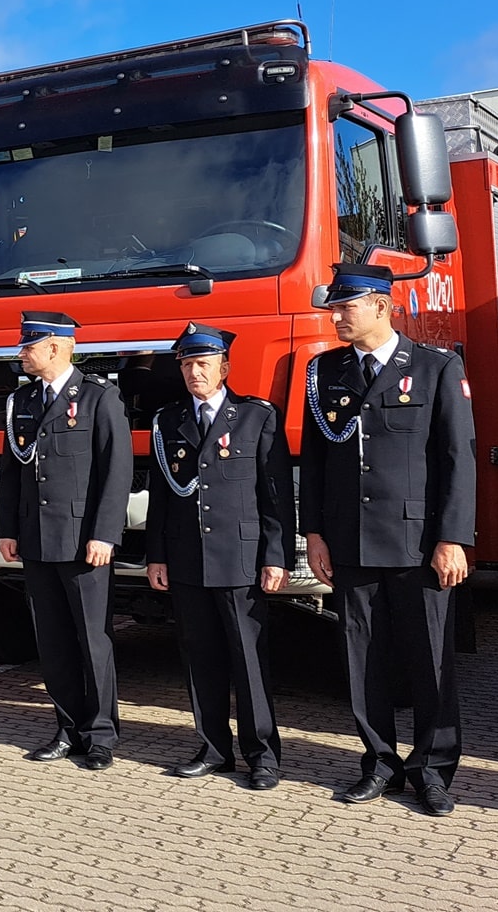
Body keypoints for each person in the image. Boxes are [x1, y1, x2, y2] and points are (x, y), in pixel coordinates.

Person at [300, 262, 475, 817]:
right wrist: (314, 534)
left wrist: (452, 538)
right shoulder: (323, 371)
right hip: (350, 542)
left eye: (345, 306)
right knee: (363, 659)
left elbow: (457, 458)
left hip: (417, 544)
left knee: (429, 660)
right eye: (334, 307)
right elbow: (315, 461)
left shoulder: (434, 367)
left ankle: (432, 771)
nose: (336, 316)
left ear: (381, 305)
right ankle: (379, 763)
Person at [144, 322, 293, 790]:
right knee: (199, 658)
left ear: (224, 369)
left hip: (240, 560)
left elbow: (274, 497)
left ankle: (262, 756)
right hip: (187, 560)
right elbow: (161, 496)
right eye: (187, 364)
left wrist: (276, 556)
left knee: (248, 661)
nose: (194, 373)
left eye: (203, 364)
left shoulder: (255, 417)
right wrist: (156, 556)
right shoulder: (168, 421)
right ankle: (213, 749)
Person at [0, 311, 131, 770]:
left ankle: (100, 736)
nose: (21, 352)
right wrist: (7, 529)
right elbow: (12, 471)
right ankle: (67, 729)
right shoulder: (22, 400)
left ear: (55, 347)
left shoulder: (97, 397)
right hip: (37, 539)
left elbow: (117, 472)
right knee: (52, 640)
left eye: (29, 345)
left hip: (82, 542)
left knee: (93, 641)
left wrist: (104, 534)